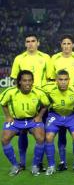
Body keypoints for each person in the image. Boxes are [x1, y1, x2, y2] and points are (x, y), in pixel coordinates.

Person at [10, 33, 50, 170]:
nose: (30, 43)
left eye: (33, 41)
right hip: (24, 100)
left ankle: (39, 162)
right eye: (28, 41)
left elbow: (50, 78)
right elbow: (15, 81)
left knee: (41, 133)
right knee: (22, 132)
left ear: (38, 43)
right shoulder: (19, 59)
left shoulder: (46, 58)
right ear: (25, 43)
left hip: (40, 100)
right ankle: (22, 162)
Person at [47, 35, 74, 171]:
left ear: (73, 45)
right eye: (64, 43)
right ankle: (62, 162)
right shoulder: (54, 58)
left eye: (68, 43)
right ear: (61, 45)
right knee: (60, 133)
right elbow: (51, 78)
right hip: (59, 97)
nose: (66, 46)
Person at [1, 70, 49, 176]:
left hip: (32, 120)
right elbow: (3, 103)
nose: (28, 83)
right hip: (15, 121)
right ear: (19, 82)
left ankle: (35, 166)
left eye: (30, 80)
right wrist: (8, 116)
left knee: (41, 138)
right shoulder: (10, 92)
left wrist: (39, 116)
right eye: (25, 81)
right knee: (4, 139)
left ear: (32, 81)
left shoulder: (38, 92)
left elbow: (46, 104)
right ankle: (15, 165)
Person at [42, 70, 74, 176]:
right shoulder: (48, 89)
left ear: (69, 80)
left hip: (72, 116)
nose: (63, 82)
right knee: (49, 137)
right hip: (55, 116)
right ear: (56, 81)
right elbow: (36, 91)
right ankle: (51, 166)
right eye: (60, 80)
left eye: (65, 80)